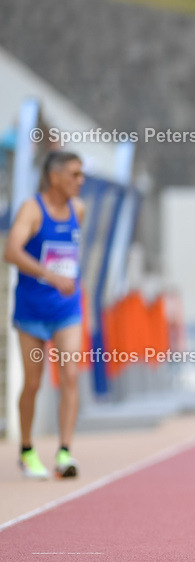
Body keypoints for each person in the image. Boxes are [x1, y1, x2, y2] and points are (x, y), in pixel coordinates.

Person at [3, 150, 86, 480]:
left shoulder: (78, 209)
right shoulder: (32, 209)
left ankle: (65, 452)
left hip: (67, 310)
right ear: (55, 177)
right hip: (32, 311)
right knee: (34, 382)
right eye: (74, 175)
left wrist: (68, 280)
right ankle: (26, 450)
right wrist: (49, 275)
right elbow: (11, 251)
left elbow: (71, 252)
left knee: (70, 375)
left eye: (81, 174)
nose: (80, 181)